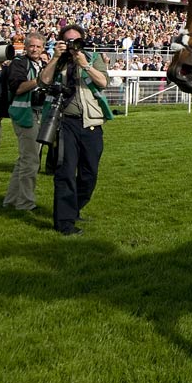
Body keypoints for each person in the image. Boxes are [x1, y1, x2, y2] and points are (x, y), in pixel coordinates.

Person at [38, 24, 112, 236]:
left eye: (75, 41)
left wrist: (85, 65)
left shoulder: (93, 57)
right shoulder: (57, 60)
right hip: (65, 122)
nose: (71, 45)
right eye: (67, 41)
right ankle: (64, 223)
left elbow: (103, 82)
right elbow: (43, 81)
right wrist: (54, 58)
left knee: (90, 174)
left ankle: (75, 207)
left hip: (91, 123)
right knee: (66, 172)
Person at [2, 32, 46, 211]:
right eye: (32, 46)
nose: (34, 49)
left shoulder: (41, 64)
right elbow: (18, 88)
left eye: (38, 46)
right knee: (31, 161)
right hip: (24, 113)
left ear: (43, 48)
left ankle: (11, 200)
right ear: (26, 47)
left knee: (24, 160)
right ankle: (25, 203)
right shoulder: (19, 63)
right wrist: (39, 81)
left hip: (38, 113)